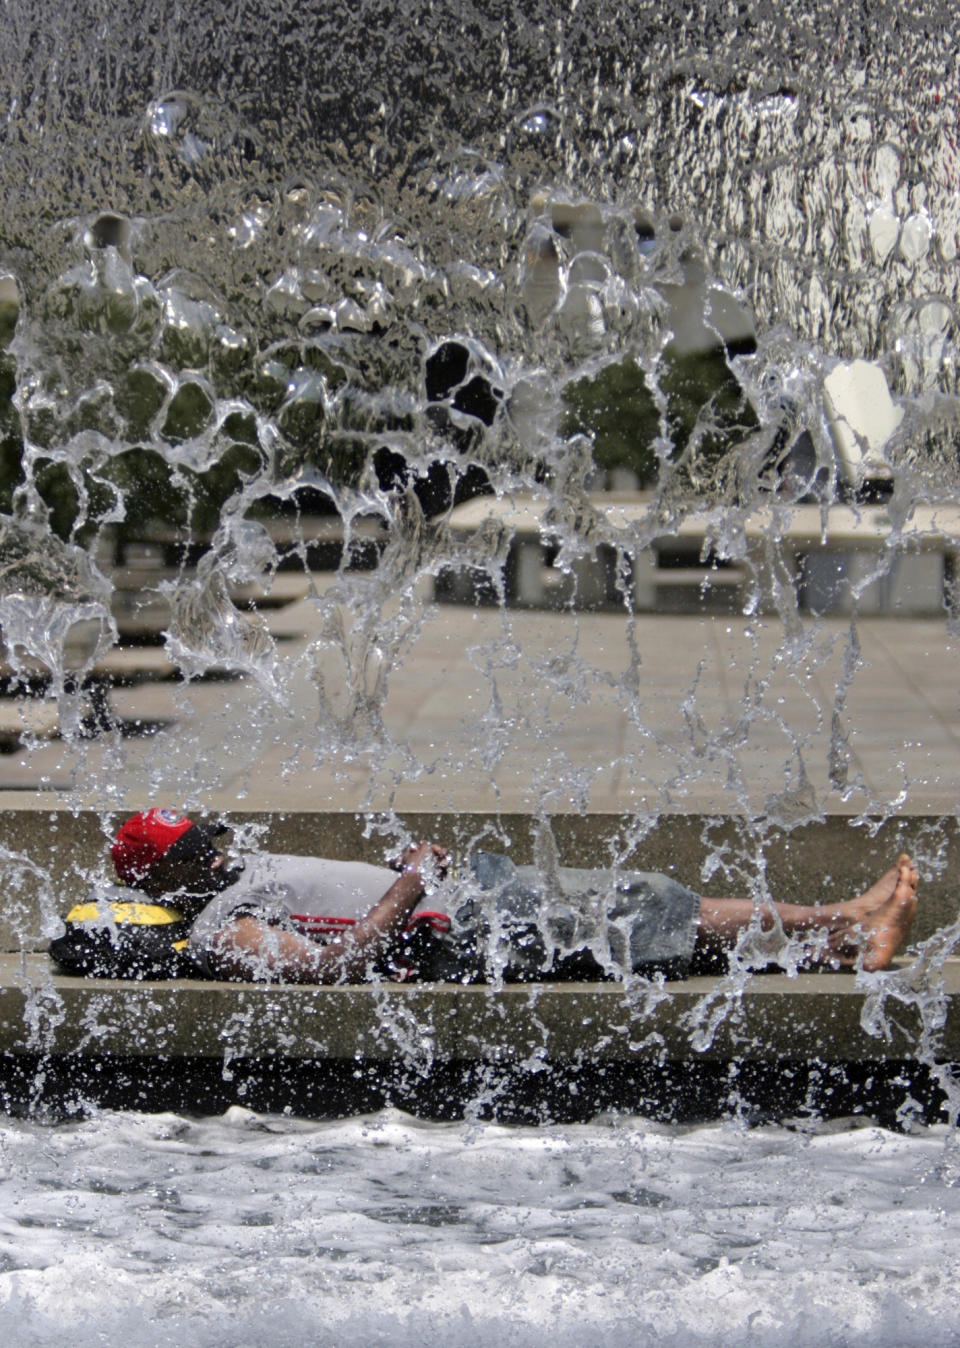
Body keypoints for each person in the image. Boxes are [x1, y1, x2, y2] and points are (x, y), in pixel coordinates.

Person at [109, 809, 920, 985]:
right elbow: (326, 965)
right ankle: (849, 922)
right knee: (650, 900)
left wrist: (415, 875)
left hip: (469, 902)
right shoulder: (223, 927)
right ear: (169, 877)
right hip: (464, 937)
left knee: (646, 907)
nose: (217, 850)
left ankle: (840, 942)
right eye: (194, 850)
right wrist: (410, 884)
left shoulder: (237, 878)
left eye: (207, 835)